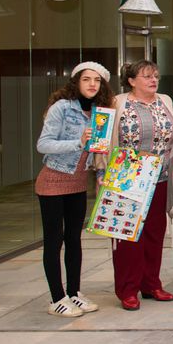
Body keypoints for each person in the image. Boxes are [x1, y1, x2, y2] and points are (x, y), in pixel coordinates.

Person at [35, 62, 114, 317]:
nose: (92, 84)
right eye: (86, 79)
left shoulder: (100, 112)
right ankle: (57, 297)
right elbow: (43, 145)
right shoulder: (61, 108)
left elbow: (99, 149)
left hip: (78, 182)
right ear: (76, 82)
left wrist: (101, 174)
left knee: (74, 240)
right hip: (53, 180)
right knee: (54, 240)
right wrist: (77, 142)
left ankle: (74, 293)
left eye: (97, 80)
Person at [109, 61, 173, 310]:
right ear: (131, 80)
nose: (153, 80)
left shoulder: (165, 100)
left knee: (154, 233)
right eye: (147, 76)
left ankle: (151, 284)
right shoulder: (116, 103)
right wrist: (101, 171)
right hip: (127, 178)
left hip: (160, 177)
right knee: (128, 236)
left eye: (156, 76)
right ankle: (127, 289)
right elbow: (104, 139)